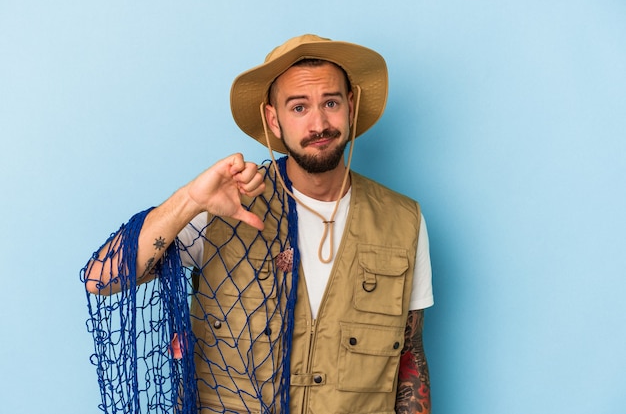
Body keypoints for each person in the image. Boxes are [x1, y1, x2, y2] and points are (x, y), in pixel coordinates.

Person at [83, 34, 433, 414]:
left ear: (350, 106)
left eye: (330, 103)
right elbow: (102, 278)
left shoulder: (403, 221)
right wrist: (190, 200)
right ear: (273, 120)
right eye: (299, 108)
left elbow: (410, 357)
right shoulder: (224, 206)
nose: (318, 123)